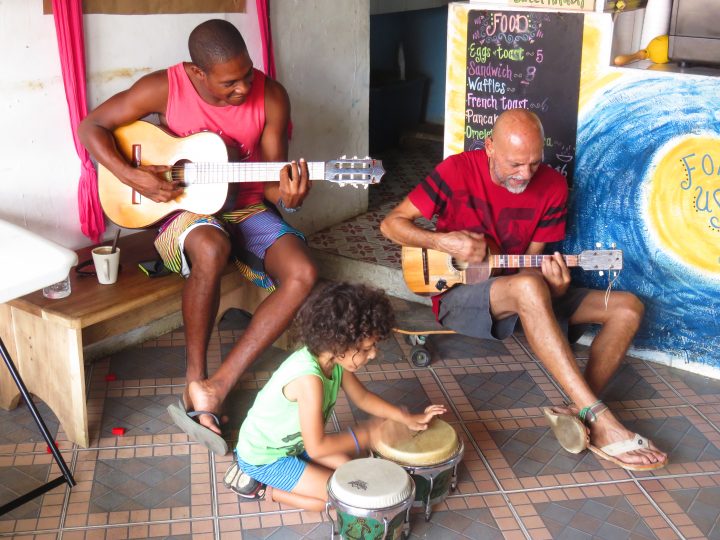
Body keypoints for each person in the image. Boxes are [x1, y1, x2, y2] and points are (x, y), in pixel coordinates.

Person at [380, 109, 667, 471]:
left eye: (534, 163)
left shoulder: (553, 186)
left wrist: (558, 287)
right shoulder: (456, 171)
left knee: (627, 307)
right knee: (530, 286)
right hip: (460, 295)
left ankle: (578, 411)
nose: (526, 174)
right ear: (489, 147)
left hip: (522, 291)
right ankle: (602, 419)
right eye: (516, 164)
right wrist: (444, 242)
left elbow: (526, 267)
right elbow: (391, 225)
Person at [78, 19, 317, 454]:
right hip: (179, 209)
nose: (244, 89)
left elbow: (271, 182)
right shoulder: (163, 88)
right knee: (210, 245)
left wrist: (293, 197)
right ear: (197, 73)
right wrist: (135, 176)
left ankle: (217, 386)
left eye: (247, 75)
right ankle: (193, 380)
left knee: (302, 271)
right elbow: (91, 127)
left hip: (244, 205)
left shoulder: (272, 95)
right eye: (230, 83)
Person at [223, 281, 446, 510]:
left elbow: (363, 398)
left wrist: (404, 418)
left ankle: (286, 477)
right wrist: (368, 434)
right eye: (367, 348)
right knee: (340, 497)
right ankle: (262, 489)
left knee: (348, 469)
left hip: (296, 447)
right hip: (265, 458)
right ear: (340, 343)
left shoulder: (334, 360)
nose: (373, 354)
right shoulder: (308, 380)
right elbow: (318, 447)